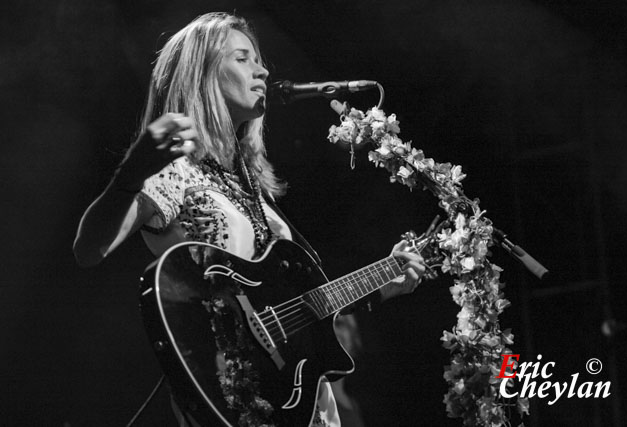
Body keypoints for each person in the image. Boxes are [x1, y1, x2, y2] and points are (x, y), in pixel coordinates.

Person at [73, 12, 427, 427]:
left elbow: (293, 311)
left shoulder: (249, 187)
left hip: (300, 397)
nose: (262, 70)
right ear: (201, 73)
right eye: (243, 59)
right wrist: (134, 169)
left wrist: (381, 285)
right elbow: (89, 249)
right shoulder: (174, 170)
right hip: (234, 394)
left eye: (259, 60)